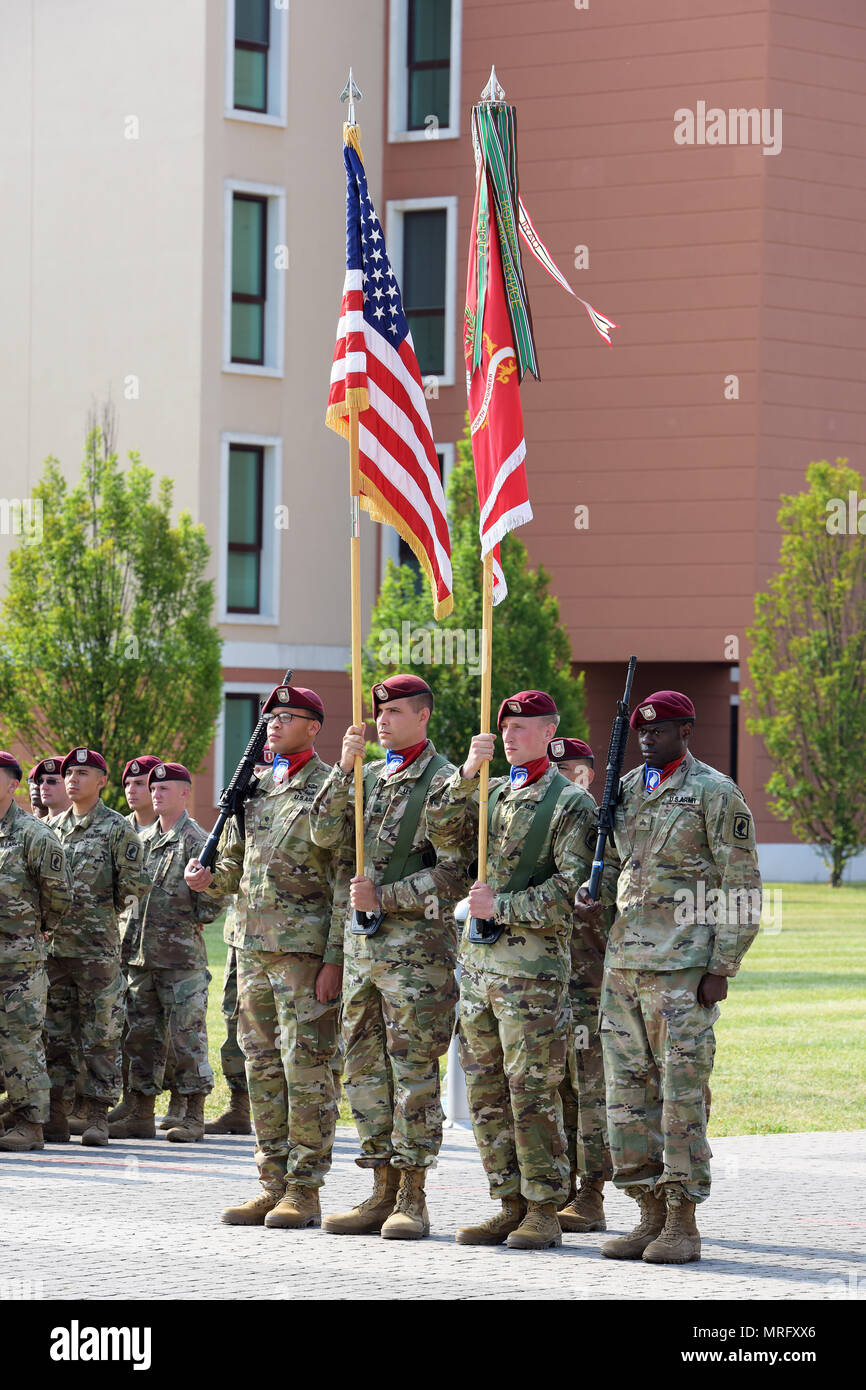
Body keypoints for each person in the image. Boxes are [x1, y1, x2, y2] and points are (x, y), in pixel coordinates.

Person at [575, 690, 762, 1264]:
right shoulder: (625, 791)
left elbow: (742, 887)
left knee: (681, 1095)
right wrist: (591, 895)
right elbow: (617, 871)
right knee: (628, 1098)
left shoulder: (714, 792)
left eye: (661, 731)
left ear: (687, 730)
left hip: (682, 970)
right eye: (642, 732)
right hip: (624, 967)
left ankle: (683, 1221)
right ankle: (646, 1216)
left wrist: (721, 967)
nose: (648, 739)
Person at [309, 674, 467, 1241]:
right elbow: (323, 836)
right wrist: (340, 768)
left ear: (423, 716)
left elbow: (459, 872)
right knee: (364, 1072)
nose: (383, 720)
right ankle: (379, 1186)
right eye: (380, 711)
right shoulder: (368, 777)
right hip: (362, 954)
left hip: (417, 958)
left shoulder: (446, 783)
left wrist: (389, 897)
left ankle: (414, 1196)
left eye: (395, 711)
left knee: (414, 1074)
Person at [185, 685, 344, 1229]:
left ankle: (305, 1188)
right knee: (261, 1069)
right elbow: (232, 869)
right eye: (269, 716)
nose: (274, 724)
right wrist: (206, 880)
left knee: (307, 1068)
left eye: (287, 716)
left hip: (303, 952)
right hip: (247, 949)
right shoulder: (251, 788)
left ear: (314, 726)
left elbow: (345, 879)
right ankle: (271, 1182)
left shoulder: (331, 787)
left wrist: (335, 959)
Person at [445, 693, 599, 1251]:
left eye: (523, 727)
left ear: (550, 730)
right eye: (505, 726)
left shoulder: (569, 804)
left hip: (530, 975)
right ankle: (506, 1201)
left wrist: (502, 908)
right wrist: (466, 771)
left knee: (531, 1090)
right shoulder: (491, 793)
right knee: (485, 1092)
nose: (510, 736)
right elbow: (443, 835)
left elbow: (573, 891)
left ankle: (543, 1207)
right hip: (480, 967)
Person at [45, 748, 152, 1146]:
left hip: (96, 950)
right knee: (55, 1032)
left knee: (100, 1034)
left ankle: (95, 1116)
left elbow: (136, 884)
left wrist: (102, 916)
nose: (73, 779)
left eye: (84, 773)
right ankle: (56, 1113)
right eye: (69, 772)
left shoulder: (116, 828)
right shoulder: (52, 829)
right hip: (55, 950)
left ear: (102, 781)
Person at [110, 762, 220, 1142]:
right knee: (140, 1038)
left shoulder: (197, 840)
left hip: (181, 961)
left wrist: (204, 887)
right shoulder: (140, 839)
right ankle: (139, 1111)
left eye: (165, 789)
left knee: (186, 1039)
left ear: (185, 792)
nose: (156, 795)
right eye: (153, 790)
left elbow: (212, 906)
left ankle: (192, 1114)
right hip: (139, 957)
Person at [548, 737, 613, 1233]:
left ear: (588, 775)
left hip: (595, 981)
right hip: (545, 979)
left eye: (570, 770)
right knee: (555, 1088)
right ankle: (560, 1185)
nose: (562, 779)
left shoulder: (605, 830)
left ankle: (591, 1193)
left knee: (592, 1089)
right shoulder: (545, 825)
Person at [0, 752, 73, 1152]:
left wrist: (36, 930)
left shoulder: (34, 835)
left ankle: (31, 1124)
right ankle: (12, 1113)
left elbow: (60, 896)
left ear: (12, 785)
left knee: (20, 1040)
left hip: (19, 958)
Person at [107, 755, 164, 1132]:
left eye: (140, 783)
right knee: (129, 1028)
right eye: (128, 783)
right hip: (123, 944)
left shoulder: (173, 831)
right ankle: (132, 1104)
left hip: (164, 948)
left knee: (167, 1033)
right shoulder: (118, 831)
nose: (132, 790)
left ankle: (170, 1106)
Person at [204, 895, 251, 1135]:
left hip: (289, 939)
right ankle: (239, 1107)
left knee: (286, 1028)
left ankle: (295, 1117)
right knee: (233, 1017)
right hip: (240, 933)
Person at [29, 758, 71, 822]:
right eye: (41, 781)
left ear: (69, 784)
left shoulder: (85, 826)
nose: (43, 787)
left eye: (51, 781)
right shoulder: (33, 827)